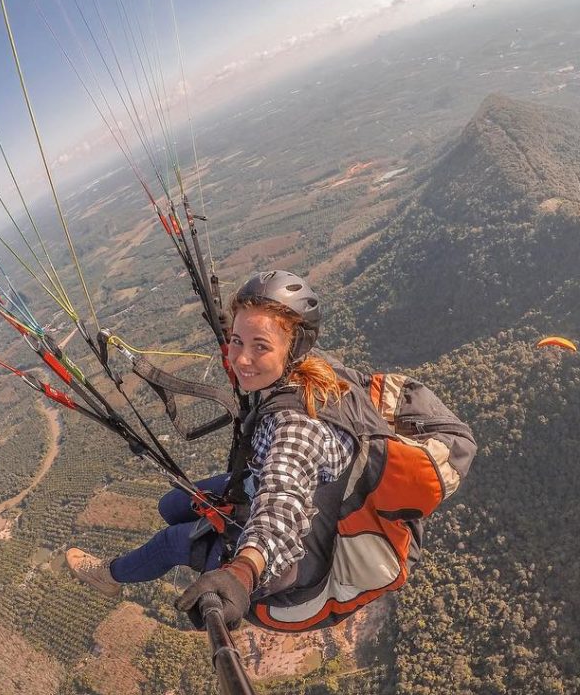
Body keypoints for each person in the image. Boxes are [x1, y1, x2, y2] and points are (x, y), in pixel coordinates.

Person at [66, 270, 475, 631]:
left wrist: (242, 573)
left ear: (292, 347)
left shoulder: (297, 427)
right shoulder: (316, 368)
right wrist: (245, 338)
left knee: (174, 541)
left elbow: (282, 503)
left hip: (300, 565)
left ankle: (109, 576)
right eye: (236, 340)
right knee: (172, 504)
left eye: (260, 346)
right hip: (287, 492)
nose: (242, 358)